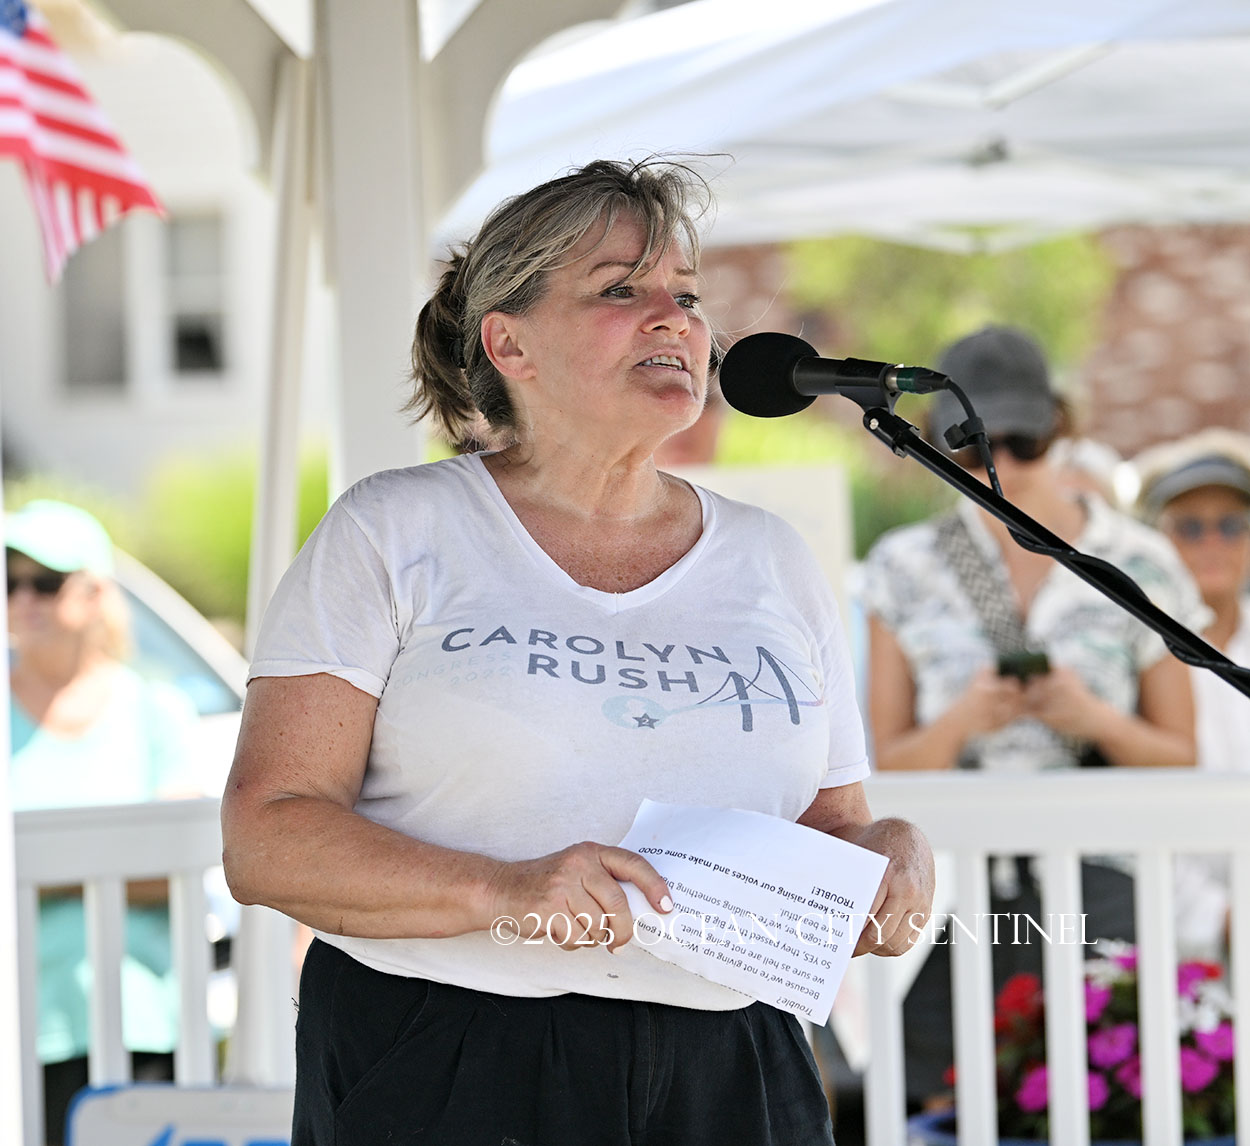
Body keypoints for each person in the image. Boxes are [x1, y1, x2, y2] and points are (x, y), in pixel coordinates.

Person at [221, 158, 934, 1146]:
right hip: (449, 1053)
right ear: (507, 341)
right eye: (619, 291)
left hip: (734, 1064)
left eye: (687, 296)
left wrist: (887, 856)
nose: (672, 319)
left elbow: (831, 823)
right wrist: (504, 892)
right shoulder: (393, 530)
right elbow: (266, 839)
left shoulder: (770, 557)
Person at [861, 325, 1201, 1104]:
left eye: (1024, 439)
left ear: (1063, 427)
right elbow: (887, 765)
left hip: (1101, 877)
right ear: (932, 442)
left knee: (1105, 1100)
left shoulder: (1141, 562)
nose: (1002, 464)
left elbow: (1180, 753)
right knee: (951, 1103)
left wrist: (1095, 719)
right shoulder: (900, 567)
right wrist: (962, 722)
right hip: (953, 886)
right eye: (973, 444)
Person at [6, 499, 198, 1144]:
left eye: (44, 581)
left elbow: (181, 869)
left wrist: (42, 869)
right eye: (9, 580)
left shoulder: (156, 711)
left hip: (140, 1021)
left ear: (93, 592)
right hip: (19, 1028)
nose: (22, 598)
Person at [1134, 429, 1250, 959]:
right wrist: (1219, 919)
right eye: (1190, 527)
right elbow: (1137, 813)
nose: (1212, 543)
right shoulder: (1140, 653)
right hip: (1177, 945)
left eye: (1231, 525)